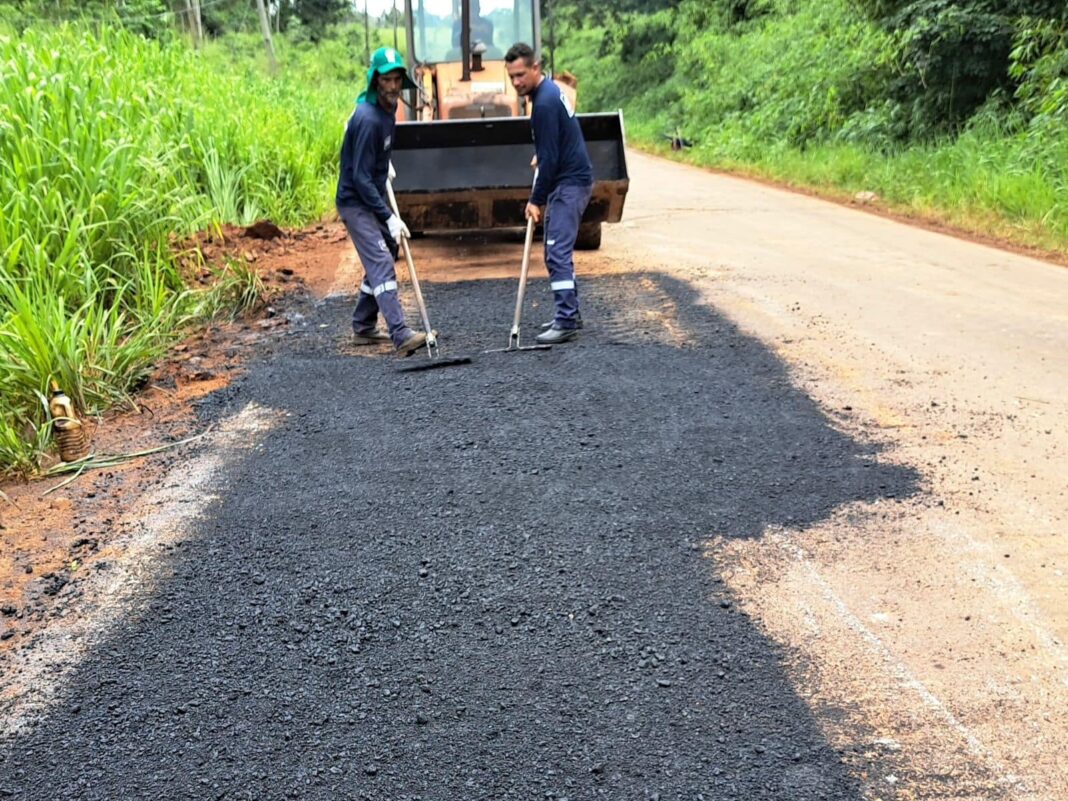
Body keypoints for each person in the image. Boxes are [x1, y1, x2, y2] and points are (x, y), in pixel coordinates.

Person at [335, 46, 426, 356]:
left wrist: (382, 162)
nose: (393, 86)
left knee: (388, 246)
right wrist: (387, 216)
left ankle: (363, 325)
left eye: (397, 79)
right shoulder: (368, 118)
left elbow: (370, 161)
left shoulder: (386, 112)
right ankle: (400, 333)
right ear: (375, 81)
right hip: (354, 200)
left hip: (369, 192)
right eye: (387, 80)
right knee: (382, 260)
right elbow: (359, 179)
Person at [504, 43, 593, 345]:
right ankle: (570, 313)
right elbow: (553, 146)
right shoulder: (550, 92)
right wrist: (542, 154)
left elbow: (552, 159)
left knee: (556, 250)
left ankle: (566, 320)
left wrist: (535, 200)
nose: (516, 82)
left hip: (569, 183)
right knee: (554, 250)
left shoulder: (542, 104)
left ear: (535, 68)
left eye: (520, 75)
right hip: (567, 179)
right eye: (511, 76)